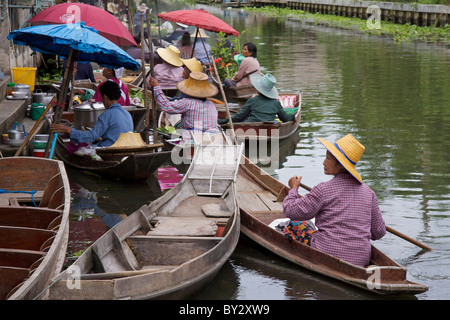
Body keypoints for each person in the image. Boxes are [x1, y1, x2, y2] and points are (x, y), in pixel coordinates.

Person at [282, 134, 386, 267]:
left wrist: (293, 189)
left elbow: (291, 210)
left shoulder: (323, 190)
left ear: (341, 165)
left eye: (328, 158)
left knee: (296, 224)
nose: (324, 162)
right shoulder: (369, 193)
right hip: (361, 260)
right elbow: (379, 232)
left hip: (326, 255)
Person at [51, 80, 134, 148]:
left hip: (109, 149)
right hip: (124, 148)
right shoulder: (127, 114)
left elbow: (91, 136)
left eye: (102, 98)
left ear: (105, 97)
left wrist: (68, 130)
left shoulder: (107, 114)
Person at [148, 72, 219, 141]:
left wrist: (156, 87)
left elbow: (166, 106)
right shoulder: (211, 104)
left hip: (194, 138)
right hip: (214, 138)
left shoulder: (188, 102)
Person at [218, 73, 294, 124]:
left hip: (251, 127)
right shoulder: (276, 103)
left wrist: (225, 121)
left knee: (244, 118)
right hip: (269, 128)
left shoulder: (252, 100)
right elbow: (285, 118)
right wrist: (293, 117)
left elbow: (239, 117)